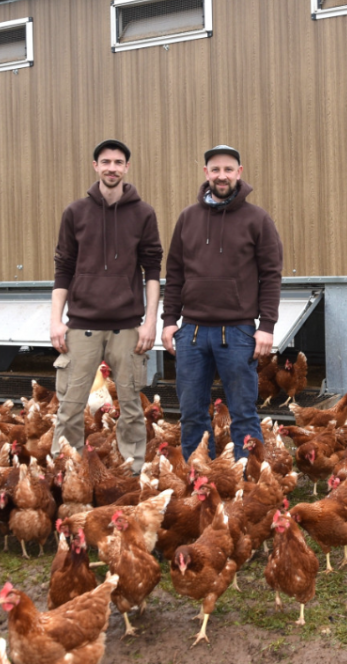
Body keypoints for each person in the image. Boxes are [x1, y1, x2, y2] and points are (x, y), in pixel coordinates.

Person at [162, 145, 283, 461]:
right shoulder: (188, 218)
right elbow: (174, 273)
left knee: (243, 413)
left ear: (239, 173)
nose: (222, 175)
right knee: (192, 413)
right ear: (206, 173)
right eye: (215, 169)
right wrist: (169, 320)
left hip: (238, 332)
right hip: (192, 333)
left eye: (228, 169)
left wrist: (267, 326)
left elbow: (271, 275)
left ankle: (247, 479)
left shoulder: (257, 219)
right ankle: (199, 476)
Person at [50, 138, 162, 471]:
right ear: (95, 166)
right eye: (106, 162)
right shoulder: (75, 213)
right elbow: (63, 268)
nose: (112, 168)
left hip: (126, 327)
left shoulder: (143, 214)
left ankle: (131, 472)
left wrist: (150, 321)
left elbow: (152, 270)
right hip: (81, 325)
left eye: (118, 162)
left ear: (127, 167)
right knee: (70, 408)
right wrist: (56, 320)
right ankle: (66, 472)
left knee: (131, 407)